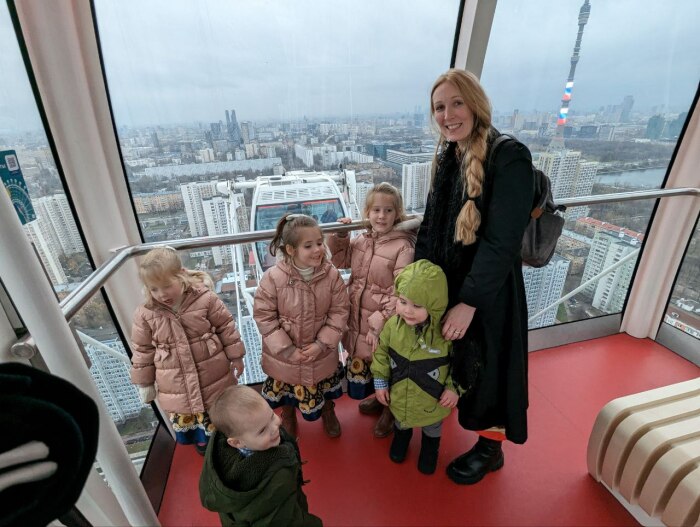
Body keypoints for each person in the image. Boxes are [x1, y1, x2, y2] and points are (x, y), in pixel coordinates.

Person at [415, 68, 534, 484]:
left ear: (476, 104)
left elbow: (502, 242)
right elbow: (432, 224)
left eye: (456, 103)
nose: (447, 115)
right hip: (452, 284)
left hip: (490, 293)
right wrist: (418, 284)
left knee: (491, 370)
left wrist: (469, 302)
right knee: (458, 361)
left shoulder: (509, 156)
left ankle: (490, 449)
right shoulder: (450, 152)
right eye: (439, 107)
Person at [130, 247, 245, 455]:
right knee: (192, 419)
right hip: (176, 380)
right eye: (154, 289)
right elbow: (142, 350)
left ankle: (227, 445)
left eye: (167, 286)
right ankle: (203, 448)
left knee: (219, 413)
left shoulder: (205, 299)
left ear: (181, 274)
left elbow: (225, 326)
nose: (161, 294)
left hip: (212, 372)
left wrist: (236, 355)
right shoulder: (146, 313)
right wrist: (145, 382)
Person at [327, 182, 420, 437]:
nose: (381, 216)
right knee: (367, 362)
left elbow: (404, 289)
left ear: (397, 214)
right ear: (367, 212)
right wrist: (341, 235)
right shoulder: (361, 241)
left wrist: (383, 316)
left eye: (388, 211)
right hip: (359, 315)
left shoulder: (403, 247)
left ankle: (391, 411)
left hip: (384, 321)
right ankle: (379, 399)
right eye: (376, 210)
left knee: (387, 365)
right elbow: (341, 261)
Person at [253, 214, 349, 439]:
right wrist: (287, 349)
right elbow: (264, 316)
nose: (318, 250)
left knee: (323, 384)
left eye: (319, 243)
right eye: (309, 246)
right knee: (287, 388)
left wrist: (322, 344)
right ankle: (288, 414)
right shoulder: (273, 278)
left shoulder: (332, 275)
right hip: (284, 356)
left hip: (320, 353)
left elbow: (339, 311)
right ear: (290, 249)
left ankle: (327, 410)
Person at [370, 259, 459, 475]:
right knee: (401, 422)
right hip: (399, 395)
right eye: (403, 302)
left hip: (434, 400)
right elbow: (381, 353)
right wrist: (380, 382)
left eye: (417, 305)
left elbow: (460, 363)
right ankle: (401, 443)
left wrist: (454, 388)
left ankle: (430, 452)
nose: (408, 311)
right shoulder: (392, 325)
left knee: (432, 428)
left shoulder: (445, 334)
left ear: (435, 305)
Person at [199, 385, 323, 527]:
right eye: (262, 430)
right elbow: (285, 520)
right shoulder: (277, 480)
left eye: (271, 415)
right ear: (236, 442)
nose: (275, 426)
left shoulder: (219, 455)